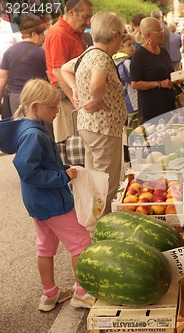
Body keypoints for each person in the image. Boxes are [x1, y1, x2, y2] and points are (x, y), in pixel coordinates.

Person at [0, 79, 94, 312]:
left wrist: (61, 170)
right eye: (52, 107)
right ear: (35, 107)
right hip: (53, 202)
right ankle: (82, 293)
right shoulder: (35, 135)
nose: (57, 111)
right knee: (80, 243)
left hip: (38, 204)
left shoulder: (25, 129)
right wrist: (63, 176)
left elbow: (38, 167)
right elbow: (30, 172)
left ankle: (50, 294)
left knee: (45, 247)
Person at [61, 11, 127, 216]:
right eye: (122, 35)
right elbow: (97, 83)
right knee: (106, 183)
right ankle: (101, 227)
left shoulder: (87, 53)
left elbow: (64, 69)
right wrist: (96, 98)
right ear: (115, 36)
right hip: (104, 129)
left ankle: (93, 222)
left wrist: (74, 88)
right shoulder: (102, 58)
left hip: (88, 126)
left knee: (94, 179)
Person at [44, 0, 93, 143]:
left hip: (74, 95)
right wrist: (75, 100)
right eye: (85, 17)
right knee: (73, 145)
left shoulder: (74, 31)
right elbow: (58, 71)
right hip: (68, 99)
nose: (88, 22)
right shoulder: (59, 33)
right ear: (72, 13)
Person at [130, 17, 178, 123]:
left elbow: (169, 73)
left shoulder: (163, 52)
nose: (162, 33)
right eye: (158, 31)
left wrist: (177, 78)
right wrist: (159, 84)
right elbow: (135, 84)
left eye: (162, 30)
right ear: (148, 35)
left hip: (169, 107)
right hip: (152, 111)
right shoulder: (139, 56)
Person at [0, 17, 47, 121]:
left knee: (18, 128)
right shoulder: (41, 53)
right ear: (34, 34)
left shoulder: (9, 51)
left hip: (15, 97)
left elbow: (2, 79)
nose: (43, 38)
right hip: (37, 97)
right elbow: (50, 76)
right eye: (42, 34)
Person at [112, 34, 138, 123]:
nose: (133, 47)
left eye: (133, 44)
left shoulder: (115, 60)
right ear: (121, 48)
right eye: (129, 45)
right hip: (131, 99)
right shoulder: (126, 62)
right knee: (134, 123)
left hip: (123, 98)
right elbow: (133, 78)